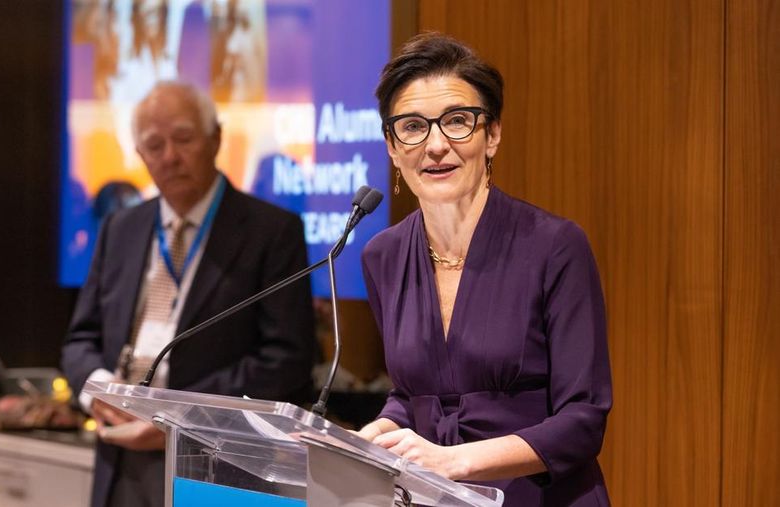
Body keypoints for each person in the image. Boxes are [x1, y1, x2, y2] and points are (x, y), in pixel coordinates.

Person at [357, 33, 612, 506]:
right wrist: (381, 430)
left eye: (457, 122)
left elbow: (584, 419)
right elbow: (413, 392)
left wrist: (456, 461)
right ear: (392, 147)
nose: (435, 145)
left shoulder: (555, 246)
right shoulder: (382, 255)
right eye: (412, 127)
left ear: (491, 135)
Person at [61, 81, 315, 507]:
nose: (170, 157)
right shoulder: (119, 229)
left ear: (215, 138)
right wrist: (100, 391)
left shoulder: (272, 232)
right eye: (154, 145)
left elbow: (285, 361)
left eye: (183, 139)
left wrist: (179, 419)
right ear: (140, 155)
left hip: (221, 465)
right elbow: (79, 340)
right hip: (121, 457)